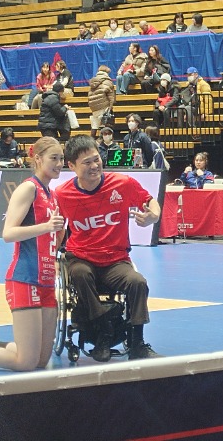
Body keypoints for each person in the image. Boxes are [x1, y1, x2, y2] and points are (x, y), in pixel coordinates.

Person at [55, 135, 161, 361]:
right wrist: (51, 256)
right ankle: (104, 327)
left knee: (138, 282)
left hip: (115, 260)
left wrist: (153, 216)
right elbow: (57, 229)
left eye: (96, 159)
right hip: (82, 258)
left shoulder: (122, 183)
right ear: (72, 166)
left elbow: (150, 202)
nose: (94, 166)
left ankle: (137, 343)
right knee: (79, 274)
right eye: (87, 162)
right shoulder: (63, 194)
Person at [0, 137, 65, 371]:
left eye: (62, 158)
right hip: (24, 278)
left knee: (41, 360)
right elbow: (8, 233)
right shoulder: (29, 188)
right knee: (26, 363)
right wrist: (46, 227)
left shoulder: (52, 195)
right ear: (37, 158)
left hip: (47, 281)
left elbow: (52, 238)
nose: (59, 163)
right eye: (54, 158)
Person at [88, 64, 115, 139]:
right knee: (104, 124)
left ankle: (91, 140)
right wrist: (111, 107)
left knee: (94, 125)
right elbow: (110, 96)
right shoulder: (107, 81)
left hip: (94, 107)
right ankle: (102, 141)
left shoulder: (94, 81)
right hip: (103, 105)